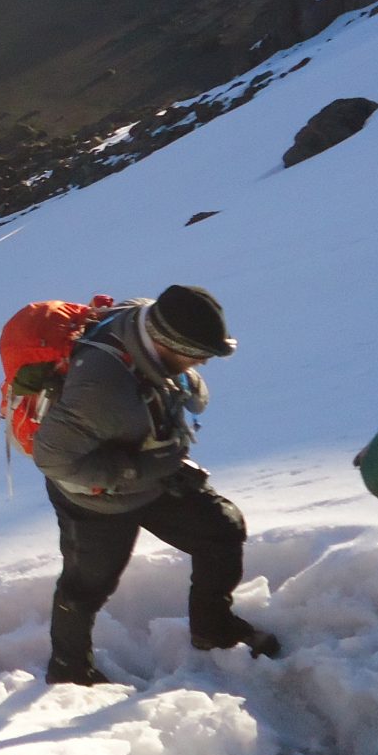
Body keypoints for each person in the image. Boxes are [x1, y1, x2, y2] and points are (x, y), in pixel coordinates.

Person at [32, 284, 279, 685]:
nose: (203, 363)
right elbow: (54, 459)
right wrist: (134, 469)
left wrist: (157, 460)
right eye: (198, 355)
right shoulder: (99, 388)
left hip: (156, 468)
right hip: (96, 502)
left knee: (221, 529)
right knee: (86, 587)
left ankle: (211, 628)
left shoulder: (146, 317)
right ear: (165, 342)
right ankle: (68, 671)